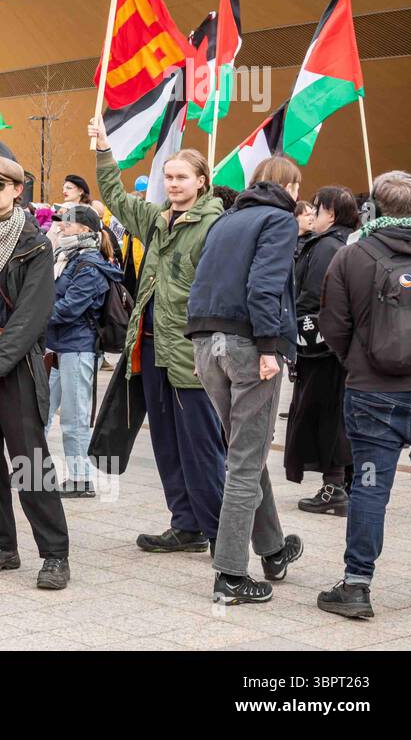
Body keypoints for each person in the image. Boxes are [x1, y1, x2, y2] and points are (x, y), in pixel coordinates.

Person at [89, 114, 227, 554]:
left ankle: (221, 532)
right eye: (168, 177)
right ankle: (185, 524)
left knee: (200, 447)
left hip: (190, 354)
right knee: (165, 442)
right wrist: (103, 150)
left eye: (182, 177)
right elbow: (112, 194)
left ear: (202, 181)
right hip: (147, 348)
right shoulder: (156, 219)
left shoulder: (214, 226)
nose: (173, 184)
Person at [186, 156, 305, 605]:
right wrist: (271, 348)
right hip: (249, 345)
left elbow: (201, 280)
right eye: (297, 187)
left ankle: (272, 548)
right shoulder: (279, 220)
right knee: (243, 460)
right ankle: (231, 576)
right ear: (288, 186)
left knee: (245, 450)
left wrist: (199, 340)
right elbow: (265, 286)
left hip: (206, 340)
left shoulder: (226, 219)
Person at [0, 157, 72, 588]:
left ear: (17, 190)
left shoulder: (36, 244)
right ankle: (2, 546)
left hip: (16, 360)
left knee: (29, 461)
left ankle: (55, 554)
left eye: (1, 184)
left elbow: (32, 314)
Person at [316, 171, 411, 619]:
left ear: (372, 208)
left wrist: (356, 359)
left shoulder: (350, 255)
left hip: (373, 394)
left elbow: (332, 326)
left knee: (371, 487)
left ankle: (357, 586)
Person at [285, 186, 358, 512]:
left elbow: (313, 296)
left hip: (320, 347)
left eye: (318, 207)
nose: (312, 213)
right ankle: (343, 483)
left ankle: (334, 486)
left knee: (325, 415)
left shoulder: (327, 246)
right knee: (335, 413)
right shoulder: (345, 243)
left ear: (332, 212)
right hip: (337, 347)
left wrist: (293, 326)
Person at [46, 203, 122, 498]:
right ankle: (33, 471)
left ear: (86, 230)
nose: (61, 225)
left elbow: (70, 309)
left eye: (67, 222)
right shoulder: (65, 257)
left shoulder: (90, 264)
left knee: (74, 418)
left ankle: (80, 479)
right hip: (56, 347)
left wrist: (36, 315)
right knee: (41, 411)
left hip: (77, 349)